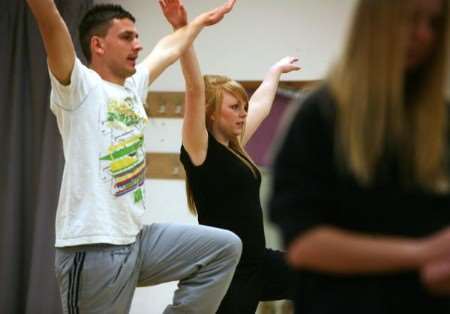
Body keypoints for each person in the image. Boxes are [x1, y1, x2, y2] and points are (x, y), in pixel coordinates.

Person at [26, 0, 243, 313]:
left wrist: (194, 23)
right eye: (127, 37)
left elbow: (167, 50)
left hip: (135, 241)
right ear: (98, 44)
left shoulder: (133, 87)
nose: (138, 45)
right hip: (91, 248)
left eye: (138, 37)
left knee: (223, 249)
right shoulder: (78, 87)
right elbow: (50, 20)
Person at [269, 0, 450, 313]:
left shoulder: (439, 122)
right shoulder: (321, 117)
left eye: (432, 23)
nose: (422, 35)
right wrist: (420, 254)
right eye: (409, 19)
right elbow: (304, 244)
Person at [158, 2, 301, 312]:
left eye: (242, 106)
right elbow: (195, 88)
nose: (243, 113)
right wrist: (182, 31)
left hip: (258, 261)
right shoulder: (200, 150)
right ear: (210, 112)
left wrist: (274, 72)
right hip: (229, 273)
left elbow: (261, 104)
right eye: (234, 107)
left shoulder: (234, 146)